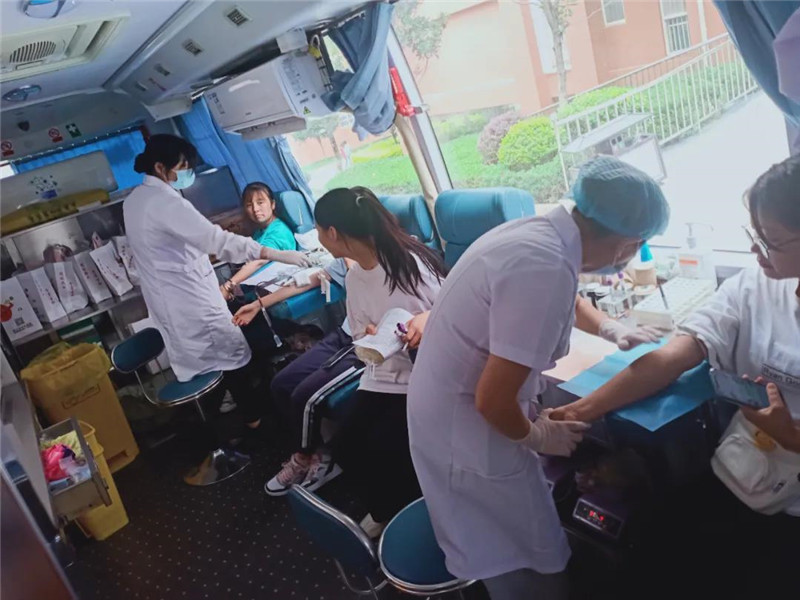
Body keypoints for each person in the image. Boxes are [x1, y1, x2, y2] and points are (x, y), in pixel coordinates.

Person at [407, 156, 671, 600]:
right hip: (471, 431)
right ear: (628, 245)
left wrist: (611, 327)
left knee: (506, 542)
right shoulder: (542, 265)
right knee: (525, 561)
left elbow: (567, 295)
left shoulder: (539, 235)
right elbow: (493, 400)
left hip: (447, 413)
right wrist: (538, 436)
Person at [551, 155, 800, 597]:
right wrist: (580, 411)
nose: (756, 250)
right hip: (743, 466)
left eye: (772, 241)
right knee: (659, 557)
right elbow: (671, 358)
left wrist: (791, 436)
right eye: (754, 235)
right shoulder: (753, 288)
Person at [123, 134, 310, 440]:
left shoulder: (135, 200)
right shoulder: (164, 202)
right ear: (159, 167)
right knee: (233, 360)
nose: (187, 172)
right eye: (183, 166)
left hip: (172, 302)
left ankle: (223, 431)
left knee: (217, 366)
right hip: (192, 303)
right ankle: (246, 430)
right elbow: (216, 241)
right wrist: (271, 253)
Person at [315, 186, 444, 537]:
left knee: (387, 446)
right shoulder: (355, 276)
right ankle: (386, 508)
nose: (319, 238)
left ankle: (418, 508)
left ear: (332, 233)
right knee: (346, 445)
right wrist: (372, 334)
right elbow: (359, 329)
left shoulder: (409, 263)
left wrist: (425, 321)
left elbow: (455, 310)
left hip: (423, 376)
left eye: (318, 230)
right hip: (382, 374)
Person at [231, 256, 363, 495]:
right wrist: (259, 304)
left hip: (366, 342)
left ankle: (308, 457)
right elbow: (308, 280)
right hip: (345, 334)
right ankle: (319, 452)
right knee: (281, 384)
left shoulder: (390, 260)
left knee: (304, 395)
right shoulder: (346, 260)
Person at [219, 182, 297, 300]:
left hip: (275, 294)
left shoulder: (278, 232)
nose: (255, 209)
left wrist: (228, 286)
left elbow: (259, 261)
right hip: (257, 289)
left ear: (272, 204)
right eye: (249, 205)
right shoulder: (261, 231)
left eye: (260, 202)